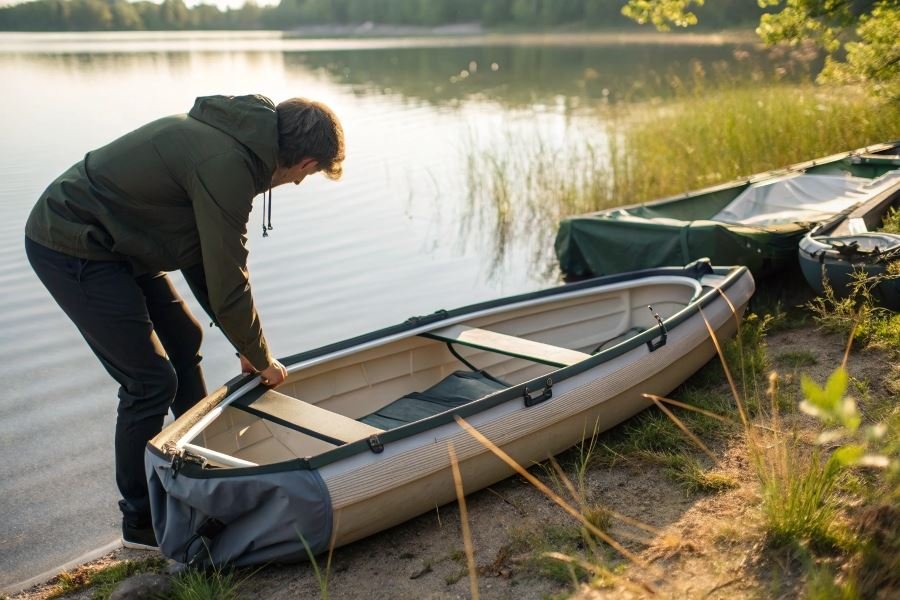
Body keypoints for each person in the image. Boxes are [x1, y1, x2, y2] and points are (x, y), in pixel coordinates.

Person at [24, 94, 345, 550]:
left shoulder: (242, 143)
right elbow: (228, 272)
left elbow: (204, 259)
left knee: (185, 336)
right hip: (72, 241)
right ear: (305, 160)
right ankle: (140, 522)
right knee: (149, 381)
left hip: (126, 241)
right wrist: (261, 356)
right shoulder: (228, 165)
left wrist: (244, 347)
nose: (298, 183)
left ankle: (194, 473)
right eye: (307, 175)